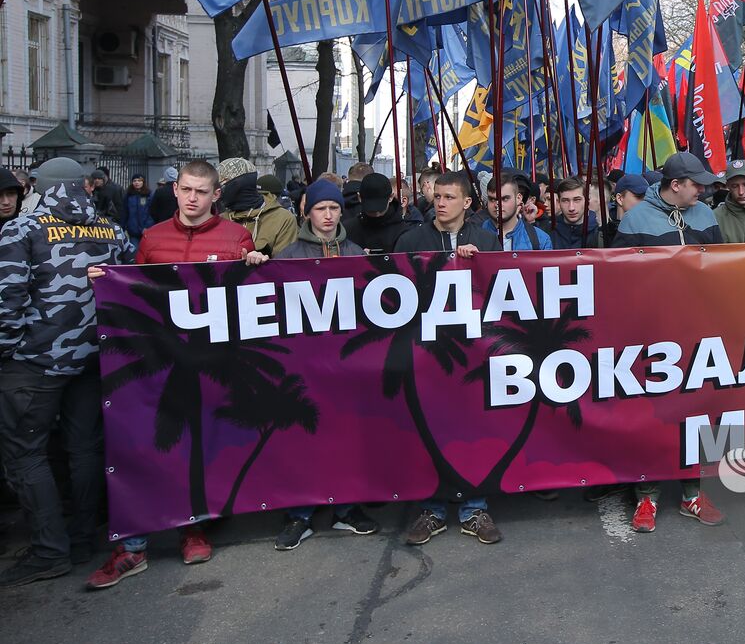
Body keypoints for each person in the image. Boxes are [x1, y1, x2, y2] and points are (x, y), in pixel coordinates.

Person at [85, 160, 269, 588]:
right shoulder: (152, 237)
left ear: (215, 195)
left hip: (211, 365)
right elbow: (133, 292)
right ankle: (134, 547)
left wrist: (258, 264)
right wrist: (105, 280)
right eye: (185, 189)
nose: (191, 198)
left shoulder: (236, 237)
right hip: (155, 366)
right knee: (143, 450)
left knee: (198, 450)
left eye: (201, 192)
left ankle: (193, 529)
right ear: (177, 189)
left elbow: (252, 296)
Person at [0, 158, 135, 587]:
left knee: (25, 453)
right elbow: (130, 284)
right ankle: (81, 538)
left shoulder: (20, 230)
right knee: (85, 448)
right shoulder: (111, 230)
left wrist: (7, 353)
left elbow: (8, 300)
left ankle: (48, 550)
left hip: (34, 364)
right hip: (95, 357)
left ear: (39, 186)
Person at [612, 152, 727, 532]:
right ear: (675, 185)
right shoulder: (635, 220)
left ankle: (692, 492)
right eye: (696, 183)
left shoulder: (706, 216)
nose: (703, 189)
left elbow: (724, 267)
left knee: (694, 412)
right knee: (650, 414)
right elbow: (617, 279)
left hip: (697, 331)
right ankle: (646, 495)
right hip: (651, 334)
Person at [270, 180, 379, 549]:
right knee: (304, 440)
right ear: (308, 212)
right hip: (306, 367)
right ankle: (299, 514)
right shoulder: (288, 255)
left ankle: (346, 509)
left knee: (347, 439)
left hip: (348, 367)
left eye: (334, 208)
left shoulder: (354, 252)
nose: (329, 216)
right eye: (321, 209)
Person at [395, 171, 503, 547]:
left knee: (473, 431)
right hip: (427, 353)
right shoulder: (412, 240)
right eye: (437, 196)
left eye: (449, 197)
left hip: (474, 354)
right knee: (430, 430)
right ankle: (432, 509)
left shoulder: (488, 240)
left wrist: (478, 264)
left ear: (467, 203)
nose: (440, 203)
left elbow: (502, 294)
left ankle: (474, 508)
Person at [217, 157, 298, 255]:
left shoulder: (283, 219)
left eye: (221, 187)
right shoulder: (220, 219)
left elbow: (284, 265)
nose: (217, 195)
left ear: (238, 186)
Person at [344, 172, 422, 254]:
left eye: (380, 208)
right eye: (370, 209)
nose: (376, 213)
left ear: (391, 197)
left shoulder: (405, 233)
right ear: (359, 198)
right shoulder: (349, 230)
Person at [480, 176, 553, 250]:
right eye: (492, 199)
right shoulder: (474, 235)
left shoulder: (540, 239)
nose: (497, 204)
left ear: (518, 198)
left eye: (505, 199)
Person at [595, 173, 648, 248]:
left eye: (646, 197)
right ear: (620, 199)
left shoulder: (651, 230)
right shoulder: (602, 233)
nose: (644, 202)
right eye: (638, 197)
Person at [549, 176, 597, 249]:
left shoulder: (601, 234)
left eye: (577, 200)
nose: (571, 208)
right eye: (565, 201)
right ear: (559, 202)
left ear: (587, 201)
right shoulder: (548, 234)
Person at [122, 174, 155, 242]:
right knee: (135, 250)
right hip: (133, 230)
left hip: (146, 229)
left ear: (143, 182)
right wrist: (124, 227)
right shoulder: (128, 195)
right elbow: (125, 212)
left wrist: (147, 226)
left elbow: (152, 212)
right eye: (135, 181)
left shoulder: (149, 195)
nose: (137, 182)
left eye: (139, 181)